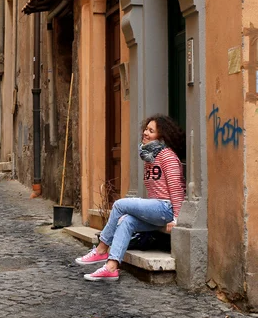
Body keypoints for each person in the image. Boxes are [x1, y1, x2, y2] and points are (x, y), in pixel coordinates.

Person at [75, 114, 186, 281]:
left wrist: (176, 217)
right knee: (127, 220)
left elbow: (176, 189)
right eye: (146, 129)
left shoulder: (167, 156)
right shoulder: (150, 157)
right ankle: (111, 267)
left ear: (162, 136)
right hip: (157, 208)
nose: (145, 133)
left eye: (151, 131)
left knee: (120, 205)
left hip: (166, 208)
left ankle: (101, 249)